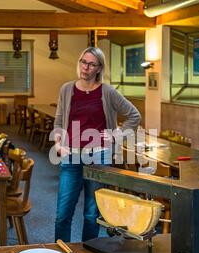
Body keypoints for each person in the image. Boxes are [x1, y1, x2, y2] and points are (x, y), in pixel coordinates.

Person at [53, 46, 141, 242]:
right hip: (71, 156)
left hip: (99, 156)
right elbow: (59, 121)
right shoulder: (67, 89)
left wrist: (117, 134)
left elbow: (134, 115)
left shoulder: (107, 92)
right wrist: (58, 144)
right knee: (62, 214)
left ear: (99, 68)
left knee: (92, 215)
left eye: (91, 64)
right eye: (83, 62)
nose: (85, 67)